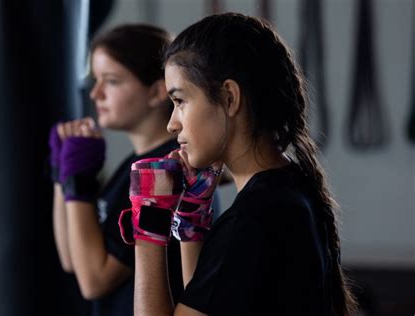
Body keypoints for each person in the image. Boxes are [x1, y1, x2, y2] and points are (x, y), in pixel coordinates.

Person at [126, 13, 358, 316]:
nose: (172, 124)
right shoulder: (290, 188)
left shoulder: (252, 219)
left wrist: (149, 224)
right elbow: (206, 301)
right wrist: (190, 221)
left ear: (230, 98)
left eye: (180, 101)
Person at [48, 24, 184, 316]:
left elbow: (94, 281)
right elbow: (73, 258)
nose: (96, 93)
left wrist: (80, 184)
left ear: (156, 91)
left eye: (110, 81)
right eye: (95, 80)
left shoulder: (164, 169)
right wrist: (65, 177)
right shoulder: (133, 164)